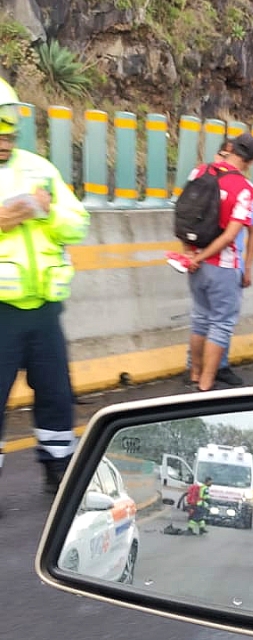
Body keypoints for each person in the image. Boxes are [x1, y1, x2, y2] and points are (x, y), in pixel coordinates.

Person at [0, 77, 90, 494]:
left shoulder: (38, 168)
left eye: (10, 134)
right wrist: (29, 206)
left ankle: (58, 470)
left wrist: (40, 212)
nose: (5, 142)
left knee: (56, 394)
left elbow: (77, 222)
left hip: (45, 309)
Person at [184, 132, 253, 392]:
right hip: (223, 266)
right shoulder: (245, 189)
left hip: (194, 263)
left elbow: (183, 215)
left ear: (230, 150)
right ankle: (206, 384)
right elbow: (231, 235)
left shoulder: (200, 171)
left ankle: (194, 374)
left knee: (200, 319)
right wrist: (206, 256)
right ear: (250, 161)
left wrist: (191, 254)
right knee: (221, 323)